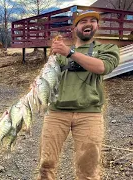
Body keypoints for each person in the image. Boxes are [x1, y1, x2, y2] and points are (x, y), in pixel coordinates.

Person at [37, 10, 120, 179]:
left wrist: (70, 53)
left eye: (92, 20)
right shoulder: (62, 52)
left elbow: (102, 68)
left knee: (88, 169)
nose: (88, 23)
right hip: (56, 112)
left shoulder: (107, 48)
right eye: (83, 21)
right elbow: (48, 78)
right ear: (75, 28)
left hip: (89, 114)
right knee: (46, 164)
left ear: (96, 26)